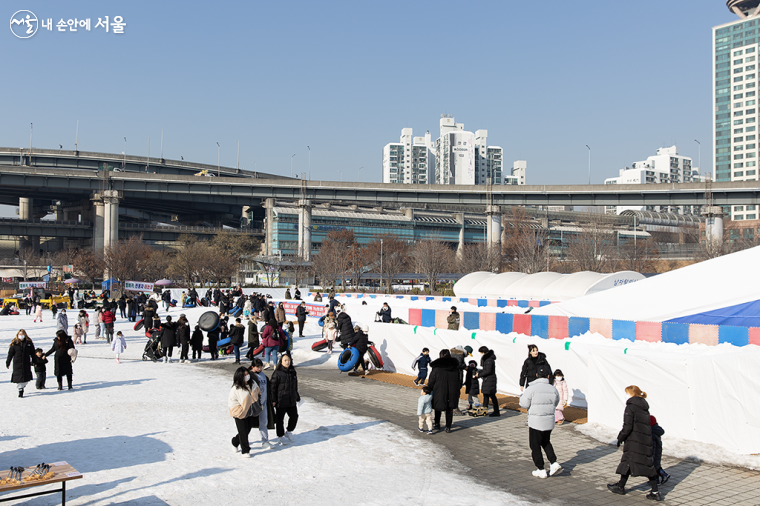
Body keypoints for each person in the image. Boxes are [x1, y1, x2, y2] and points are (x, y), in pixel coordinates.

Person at [607, 386, 662, 501]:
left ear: (631, 394)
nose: (624, 395)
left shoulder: (631, 407)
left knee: (628, 461)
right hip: (644, 440)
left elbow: (627, 426)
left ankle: (621, 487)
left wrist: (620, 437)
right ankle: (653, 491)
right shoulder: (644, 406)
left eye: (626, 393)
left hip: (634, 440)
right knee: (645, 464)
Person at [519, 365, 562, 479]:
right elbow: (556, 403)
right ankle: (553, 463)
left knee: (535, 445)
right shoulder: (553, 389)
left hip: (535, 421)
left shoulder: (531, 388)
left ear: (537, 375)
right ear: (548, 376)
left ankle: (541, 469)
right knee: (546, 442)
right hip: (549, 421)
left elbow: (523, 404)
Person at [228, 365, 261, 458]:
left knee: (248, 429)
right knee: (243, 431)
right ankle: (245, 450)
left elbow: (258, 392)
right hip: (239, 413)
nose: (247, 376)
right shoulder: (236, 388)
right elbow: (232, 402)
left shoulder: (253, 383)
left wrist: (258, 403)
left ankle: (235, 441)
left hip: (250, 411)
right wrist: (239, 411)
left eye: (247, 374)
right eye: (244, 375)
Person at [428, 349, 461, 433]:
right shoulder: (455, 368)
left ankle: (437, 424)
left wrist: (429, 389)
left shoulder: (436, 368)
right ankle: (448, 426)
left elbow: (431, 380)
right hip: (452, 391)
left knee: (438, 407)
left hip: (439, 390)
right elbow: (459, 380)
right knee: (449, 409)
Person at [270, 354, 300, 445]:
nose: (287, 362)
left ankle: (289, 431)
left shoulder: (292, 372)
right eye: (285, 360)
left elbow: (295, 386)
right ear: (281, 361)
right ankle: (280, 436)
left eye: (289, 360)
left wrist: (296, 395)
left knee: (294, 416)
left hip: (291, 400)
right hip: (281, 400)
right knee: (280, 420)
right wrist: (273, 400)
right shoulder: (277, 373)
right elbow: (273, 388)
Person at [251, 358, 276, 448]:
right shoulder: (250, 376)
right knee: (247, 425)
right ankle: (240, 440)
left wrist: (272, 400)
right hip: (253, 405)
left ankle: (265, 441)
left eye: (260, 367)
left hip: (264, 404)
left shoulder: (264, 376)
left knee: (263, 423)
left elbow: (269, 389)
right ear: (252, 367)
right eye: (257, 367)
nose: (259, 369)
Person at [6, 330, 35, 397]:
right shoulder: (14, 343)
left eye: (22, 334)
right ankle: (20, 390)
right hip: (17, 362)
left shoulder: (29, 342)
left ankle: (23, 386)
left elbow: (32, 353)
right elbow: (10, 354)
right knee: (19, 378)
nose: (21, 335)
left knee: (26, 378)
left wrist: (34, 361)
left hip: (26, 362)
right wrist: (8, 362)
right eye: (20, 334)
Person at [477, 346, 500, 417]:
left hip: (489, 379)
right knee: (486, 395)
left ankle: (496, 411)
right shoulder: (488, 359)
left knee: (492, 395)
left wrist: (479, 375)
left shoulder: (488, 360)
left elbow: (488, 371)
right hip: (488, 379)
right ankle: (485, 409)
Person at [650, 416, 670, 484]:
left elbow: (653, 445)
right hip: (658, 451)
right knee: (656, 466)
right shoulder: (656, 429)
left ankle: (657, 480)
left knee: (654, 467)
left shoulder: (652, 433)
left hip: (655, 452)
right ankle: (663, 475)